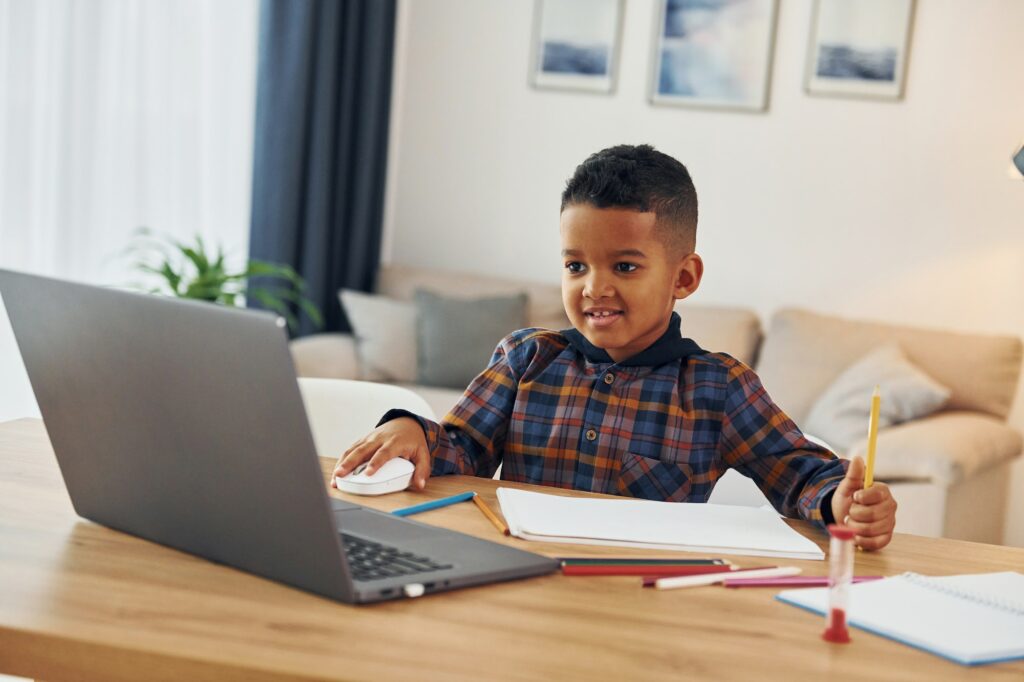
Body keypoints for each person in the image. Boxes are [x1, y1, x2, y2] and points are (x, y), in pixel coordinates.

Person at [333, 144, 897, 549]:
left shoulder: (718, 387)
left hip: (645, 606)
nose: (593, 287)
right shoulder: (526, 358)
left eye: (624, 266)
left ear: (683, 278)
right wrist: (411, 427)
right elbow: (457, 450)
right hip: (514, 587)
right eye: (575, 265)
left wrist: (841, 502)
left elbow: (800, 472)